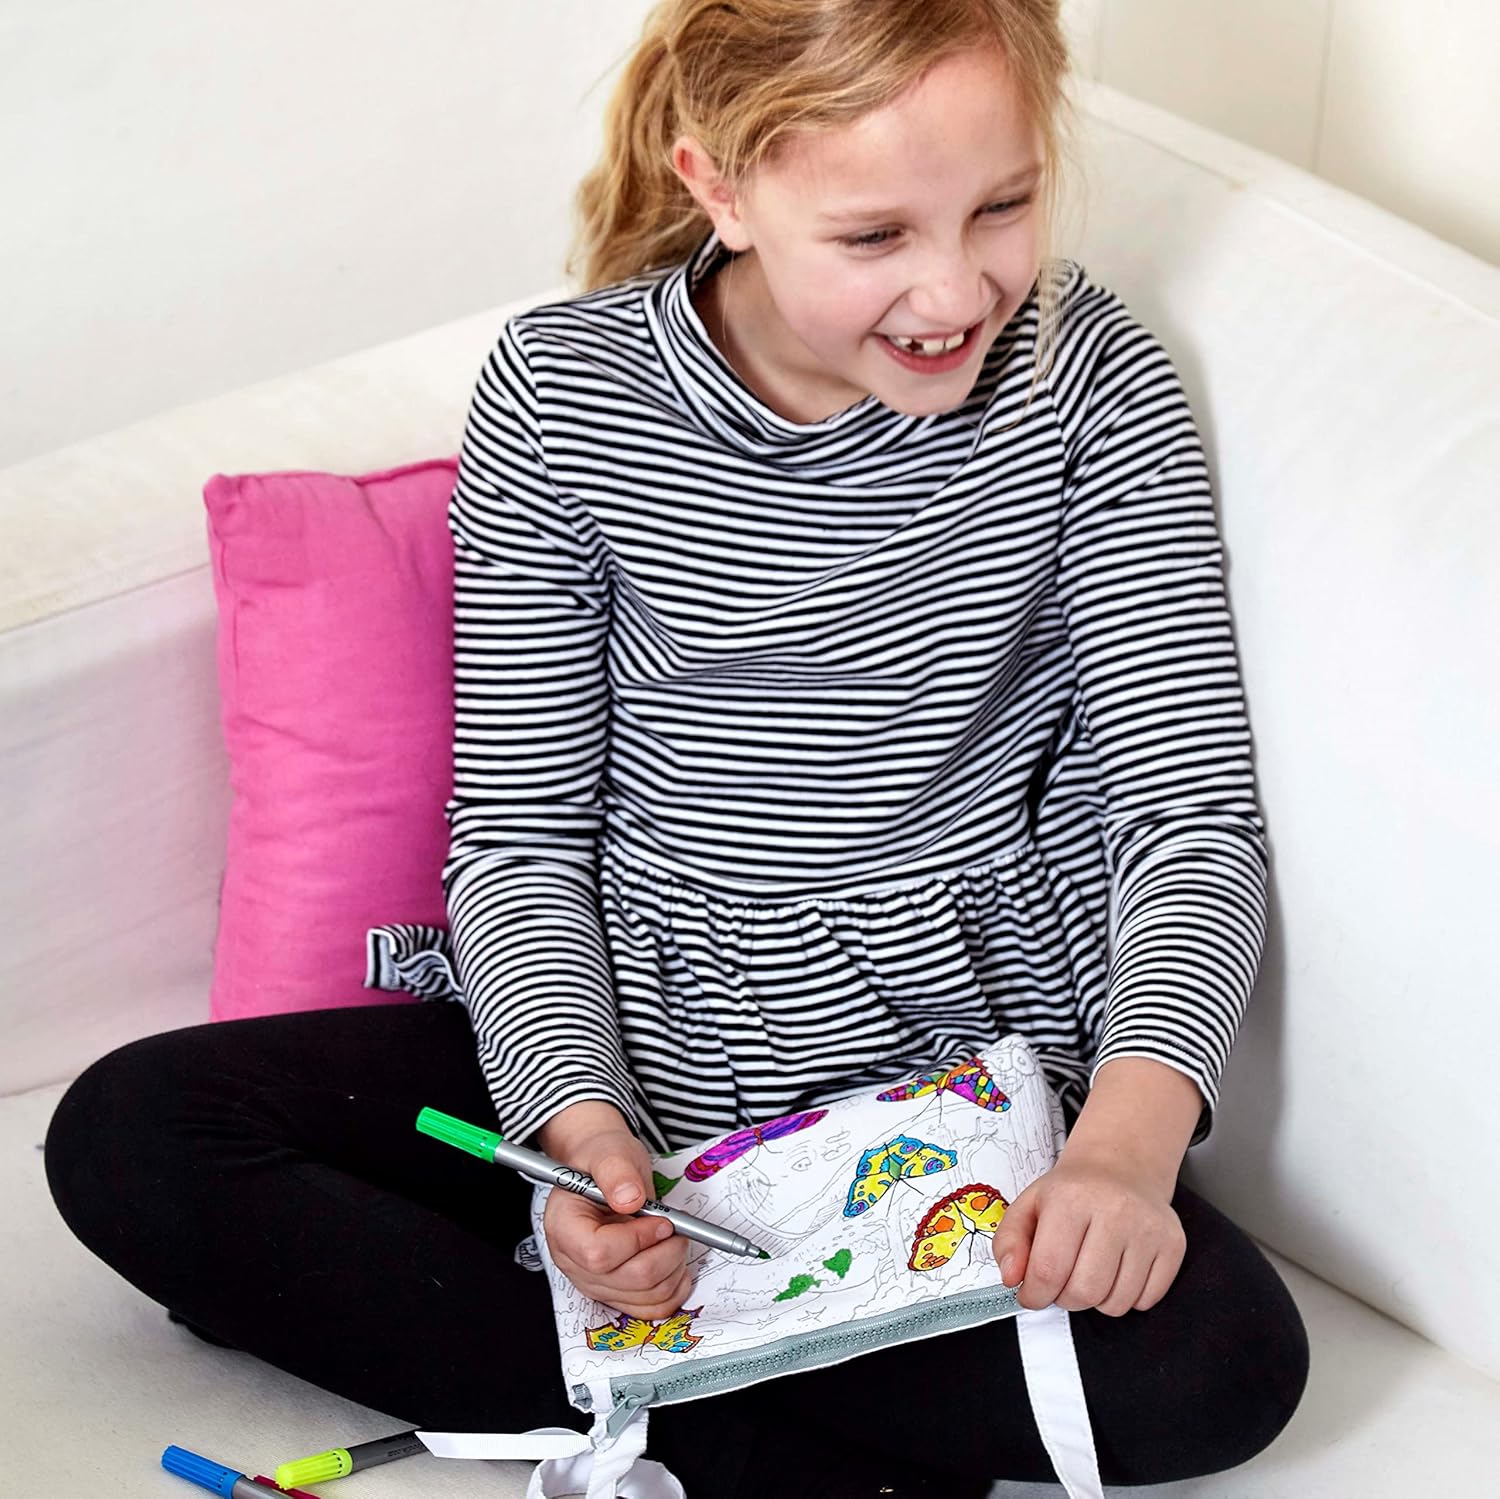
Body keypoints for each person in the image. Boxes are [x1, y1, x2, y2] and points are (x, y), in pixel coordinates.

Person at [45, 2, 1309, 1495]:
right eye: (875, 236)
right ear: (720, 187)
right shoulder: (562, 389)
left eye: (1005, 205)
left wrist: (1126, 1148)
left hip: (949, 1090)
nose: (955, 288)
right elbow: (520, 841)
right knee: (131, 1131)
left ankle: (636, 1385)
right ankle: (744, 1406)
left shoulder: (1093, 383)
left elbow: (1188, 819)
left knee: (1227, 1363)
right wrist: (576, 1131)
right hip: (632, 1038)